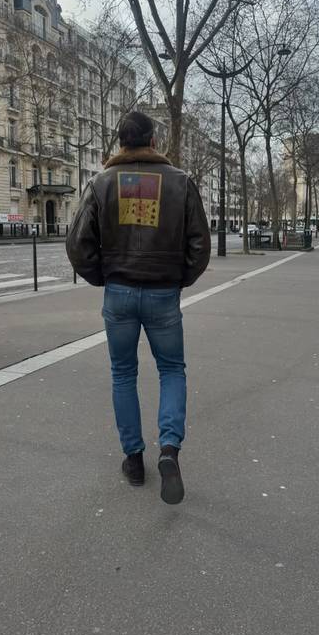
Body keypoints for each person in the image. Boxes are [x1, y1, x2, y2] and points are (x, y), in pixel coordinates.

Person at [66, 111, 211, 505]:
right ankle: (168, 449)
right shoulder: (180, 182)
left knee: (123, 373)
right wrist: (179, 278)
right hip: (164, 292)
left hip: (119, 292)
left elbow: (78, 244)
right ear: (153, 140)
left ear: (121, 141)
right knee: (172, 369)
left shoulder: (101, 183)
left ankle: (133, 459)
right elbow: (200, 243)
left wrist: (103, 277)